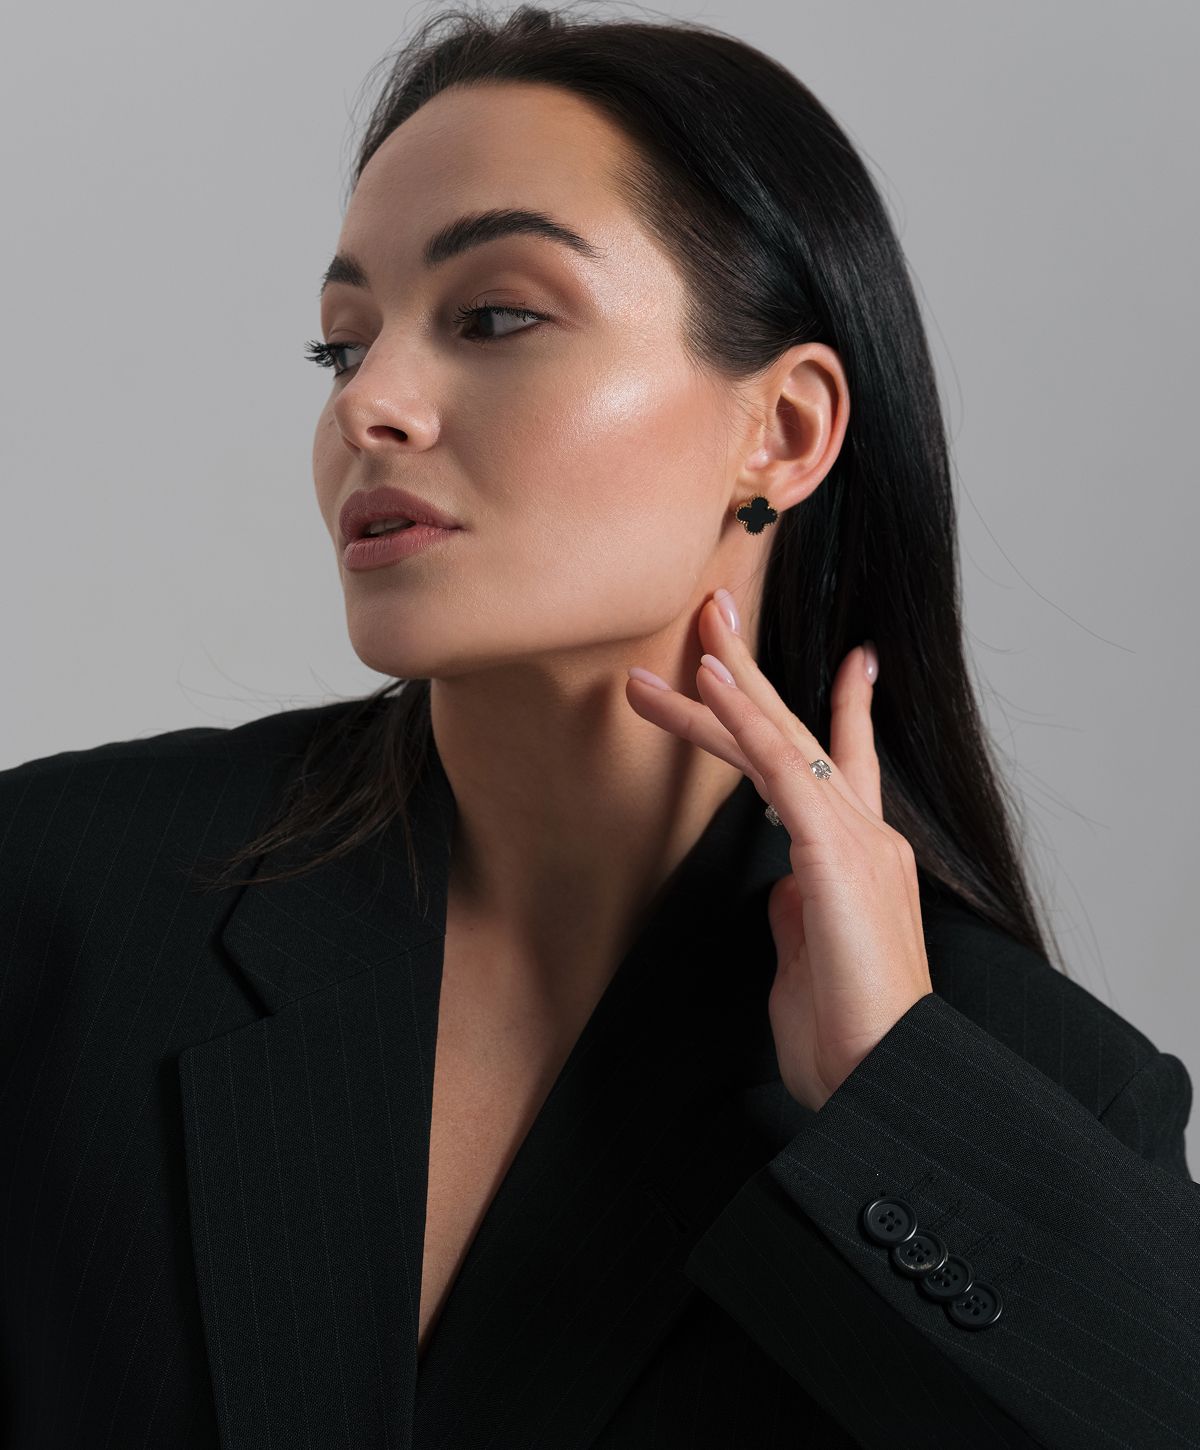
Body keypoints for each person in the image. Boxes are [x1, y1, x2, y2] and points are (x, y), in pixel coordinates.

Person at [2, 6, 1196, 1447]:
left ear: (787, 432)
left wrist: (896, 1099)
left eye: (495, 315)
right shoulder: (62, 901)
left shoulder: (1024, 1087)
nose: (370, 403)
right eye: (340, 347)